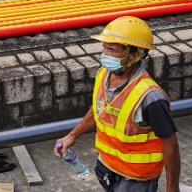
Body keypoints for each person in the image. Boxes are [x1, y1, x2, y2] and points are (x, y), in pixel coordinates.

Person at [54, 16, 181, 192]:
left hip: (135, 178)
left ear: (135, 54)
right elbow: (98, 110)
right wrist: (72, 136)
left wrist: (172, 188)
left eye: (112, 49)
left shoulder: (150, 97)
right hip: (107, 167)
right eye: (104, 47)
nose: (104, 55)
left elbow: (170, 143)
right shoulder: (103, 74)